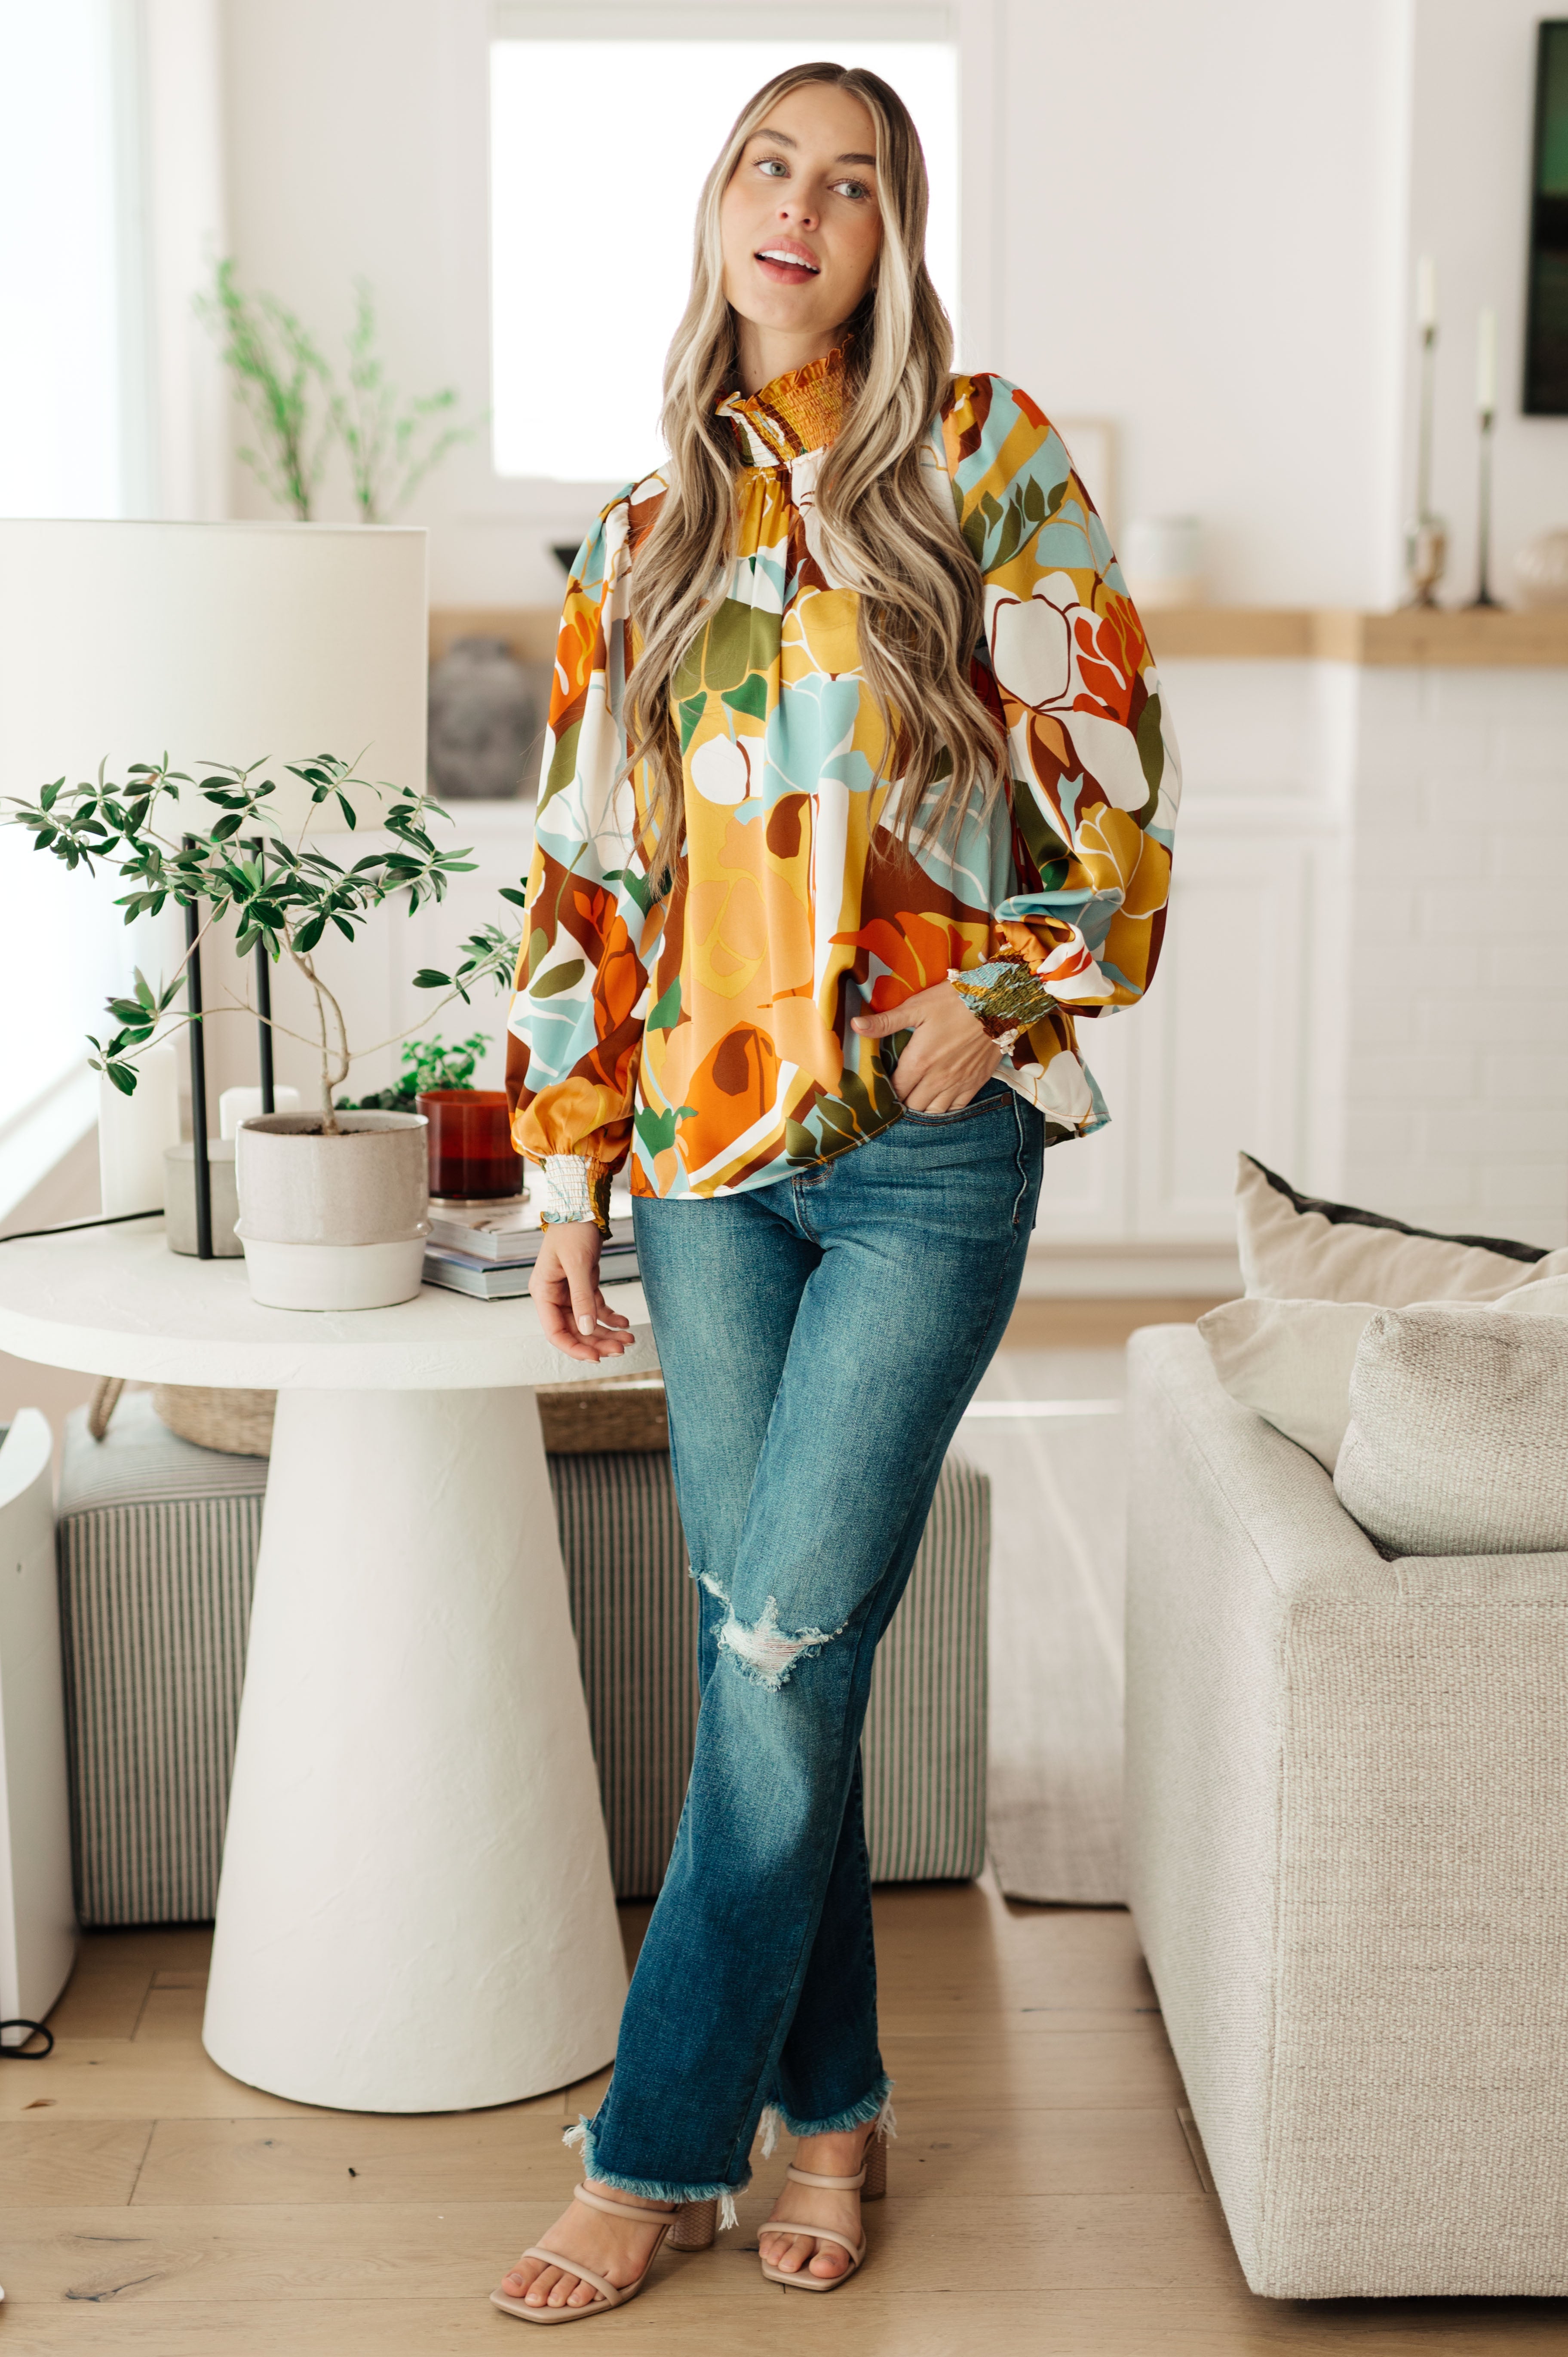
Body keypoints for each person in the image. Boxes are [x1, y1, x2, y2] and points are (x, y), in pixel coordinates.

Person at [494, 58, 1178, 2323]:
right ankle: (838, 2109)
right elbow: (589, 871)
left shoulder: (987, 459)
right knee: (776, 1657)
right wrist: (572, 1176)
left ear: (899, 235)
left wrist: (996, 1000)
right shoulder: (638, 532)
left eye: (853, 181)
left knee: (778, 1645)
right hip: (700, 1171)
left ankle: (650, 2149)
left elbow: (1125, 817)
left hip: (919, 1167)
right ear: (717, 209)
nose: (803, 208)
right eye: (769, 166)